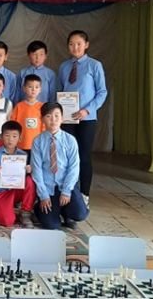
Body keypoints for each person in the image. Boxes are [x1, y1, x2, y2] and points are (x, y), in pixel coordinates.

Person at [58, 30, 107, 202]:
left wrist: (87, 110)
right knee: (67, 156)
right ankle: (67, 191)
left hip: (87, 119)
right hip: (67, 119)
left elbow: (102, 92)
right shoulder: (64, 67)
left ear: (86, 45)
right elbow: (60, 90)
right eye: (71, 44)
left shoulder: (95, 65)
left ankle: (84, 194)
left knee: (84, 156)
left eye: (79, 44)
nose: (75, 47)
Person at [32, 102, 89, 229]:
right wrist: (43, 195)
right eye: (48, 116)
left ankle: (66, 213)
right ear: (42, 119)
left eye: (57, 116)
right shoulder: (37, 141)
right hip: (48, 188)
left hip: (66, 186)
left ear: (62, 118)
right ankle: (39, 208)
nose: (53, 120)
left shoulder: (70, 140)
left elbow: (74, 168)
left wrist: (67, 191)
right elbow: (37, 170)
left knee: (80, 214)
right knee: (52, 225)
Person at [0, 121, 35, 227]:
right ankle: (2, 209)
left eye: (14, 136)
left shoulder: (23, 154)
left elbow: (23, 178)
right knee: (7, 221)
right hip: (1, 192)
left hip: (16, 189)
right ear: (1, 137)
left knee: (30, 181)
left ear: (20, 138)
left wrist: (28, 171)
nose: (10, 139)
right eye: (7, 136)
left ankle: (25, 212)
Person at [10, 74, 46, 151]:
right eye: (30, 87)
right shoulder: (19, 106)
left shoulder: (42, 107)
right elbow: (13, 124)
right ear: (24, 88)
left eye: (36, 87)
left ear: (40, 89)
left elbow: (45, 126)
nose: (33, 90)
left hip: (38, 145)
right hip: (21, 144)